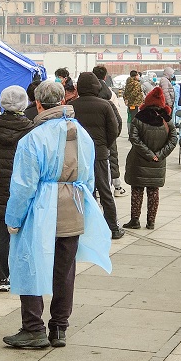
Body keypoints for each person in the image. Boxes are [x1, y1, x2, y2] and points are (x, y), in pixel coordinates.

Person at [2, 80, 112, 348]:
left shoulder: (34, 138)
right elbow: (88, 177)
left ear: (37, 103)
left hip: (41, 207)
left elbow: (23, 185)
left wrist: (13, 219)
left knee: (30, 262)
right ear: (63, 100)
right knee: (65, 269)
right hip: (72, 204)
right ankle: (59, 327)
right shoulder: (81, 134)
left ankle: (33, 327)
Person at [0, 86, 34, 292]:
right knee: (23, 232)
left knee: (0, 232)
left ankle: (3, 277)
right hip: (23, 187)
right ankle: (20, 273)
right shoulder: (29, 127)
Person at [71, 72, 124, 239]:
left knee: (84, 191)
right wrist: (104, 146)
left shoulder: (72, 105)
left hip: (79, 155)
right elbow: (113, 131)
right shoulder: (105, 105)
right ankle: (112, 228)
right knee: (105, 190)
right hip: (100, 154)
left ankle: (88, 228)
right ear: (97, 86)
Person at [123, 87, 177, 230]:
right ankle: (151, 221)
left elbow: (133, 138)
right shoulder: (167, 120)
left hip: (138, 161)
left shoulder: (138, 118)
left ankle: (135, 220)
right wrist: (158, 155)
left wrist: (148, 154)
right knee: (153, 192)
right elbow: (173, 140)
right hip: (157, 163)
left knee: (137, 191)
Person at [93, 65, 128, 198]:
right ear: (105, 76)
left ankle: (95, 190)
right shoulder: (110, 94)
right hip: (108, 133)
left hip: (93, 135)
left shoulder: (87, 94)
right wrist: (113, 134)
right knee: (112, 158)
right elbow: (117, 116)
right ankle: (117, 187)